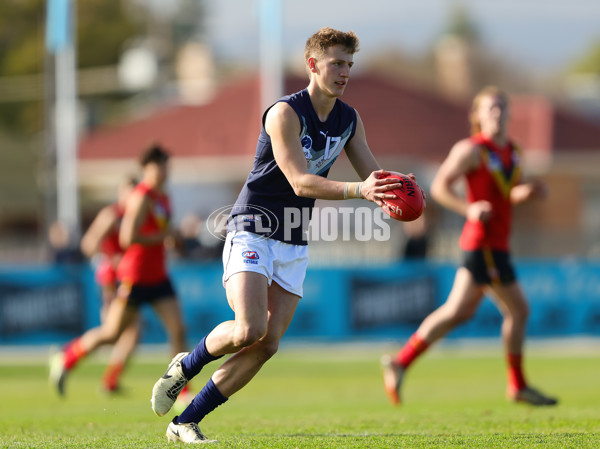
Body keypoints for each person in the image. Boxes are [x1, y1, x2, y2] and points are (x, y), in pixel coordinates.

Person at [149, 27, 416, 444]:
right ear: (313, 65)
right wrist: (360, 190)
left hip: (293, 237)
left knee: (268, 343)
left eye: (349, 64)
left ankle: (185, 421)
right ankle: (186, 364)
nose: (344, 72)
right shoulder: (284, 113)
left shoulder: (349, 119)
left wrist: (396, 188)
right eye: (336, 63)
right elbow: (299, 181)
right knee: (247, 328)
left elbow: (372, 176)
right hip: (252, 227)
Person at [381, 86, 558, 407]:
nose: (498, 113)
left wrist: (525, 193)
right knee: (518, 310)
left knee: (457, 312)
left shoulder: (513, 151)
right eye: (490, 108)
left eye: (502, 107)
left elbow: (506, 194)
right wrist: (469, 209)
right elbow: (439, 187)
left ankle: (400, 362)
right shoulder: (471, 150)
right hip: (483, 243)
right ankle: (516, 385)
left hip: (497, 243)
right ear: (477, 115)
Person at [50, 145, 190, 405]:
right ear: (147, 168)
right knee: (112, 333)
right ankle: (67, 357)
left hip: (158, 276)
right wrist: (164, 236)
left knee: (179, 330)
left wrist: (174, 240)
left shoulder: (163, 197)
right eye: (160, 165)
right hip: (134, 277)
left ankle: (180, 389)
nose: (164, 171)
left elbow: (162, 232)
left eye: (166, 165)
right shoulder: (141, 196)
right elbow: (128, 238)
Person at [79, 176, 140, 393]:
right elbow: (89, 245)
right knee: (114, 332)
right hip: (113, 279)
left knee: (129, 333)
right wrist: (110, 258)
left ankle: (110, 380)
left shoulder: (138, 216)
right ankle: (68, 356)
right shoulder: (112, 215)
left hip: (129, 278)